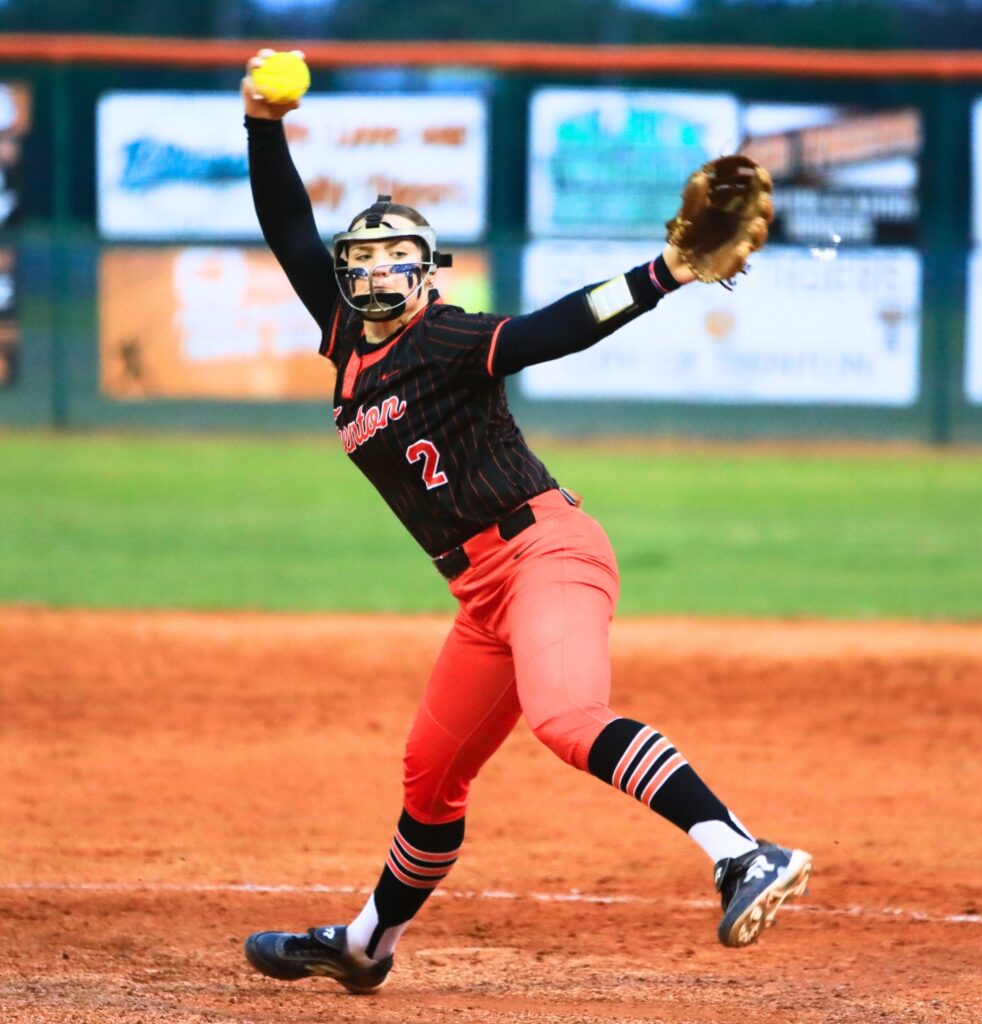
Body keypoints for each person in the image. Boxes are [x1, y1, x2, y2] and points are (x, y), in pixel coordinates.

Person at [240, 49, 812, 995]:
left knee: (568, 718)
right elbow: (286, 225)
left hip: (547, 552)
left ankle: (741, 851)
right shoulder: (345, 344)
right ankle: (366, 944)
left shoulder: (451, 336)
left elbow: (559, 326)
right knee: (430, 774)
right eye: (363, 258)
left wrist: (663, 272)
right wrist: (262, 121)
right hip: (480, 595)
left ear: (428, 275)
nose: (377, 270)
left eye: (397, 257)